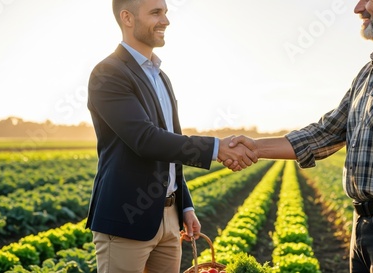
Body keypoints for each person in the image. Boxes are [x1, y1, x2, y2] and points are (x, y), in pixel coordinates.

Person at [224, 0, 373, 272]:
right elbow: (326, 132)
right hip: (363, 227)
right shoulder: (370, 70)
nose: (357, 8)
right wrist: (255, 147)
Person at [85, 0, 257, 272]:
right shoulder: (108, 73)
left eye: (165, 12)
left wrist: (184, 206)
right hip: (126, 219)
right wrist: (216, 148)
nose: (166, 20)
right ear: (127, 18)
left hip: (168, 219)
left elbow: (171, 148)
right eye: (156, 13)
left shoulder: (161, 77)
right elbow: (145, 139)